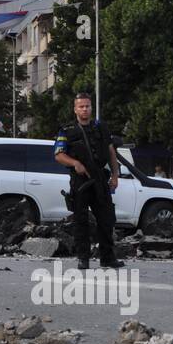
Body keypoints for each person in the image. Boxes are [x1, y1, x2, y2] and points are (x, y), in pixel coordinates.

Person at [54, 93, 125, 271]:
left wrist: (115, 175)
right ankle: (83, 259)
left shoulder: (101, 128)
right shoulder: (67, 130)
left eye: (88, 106)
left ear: (91, 107)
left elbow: (110, 152)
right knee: (81, 221)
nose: (85, 109)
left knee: (107, 219)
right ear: (75, 109)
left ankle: (107, 258)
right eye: (81, 106)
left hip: (100, 178)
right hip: (80, 180)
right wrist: (75, 163)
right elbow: (59, 155)